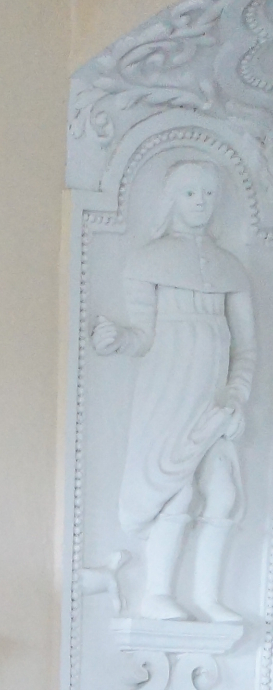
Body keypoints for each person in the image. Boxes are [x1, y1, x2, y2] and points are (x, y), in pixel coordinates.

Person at [93, 158, 256, 622]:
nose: (200, 202)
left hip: (215, 401)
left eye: (208, 193)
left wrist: (236, 396)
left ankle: (209, 598)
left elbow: (245, 348)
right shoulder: (150, 259)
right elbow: (142, 337)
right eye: (189, 193)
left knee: (224, 492)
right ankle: (158, 595)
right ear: (172, 199)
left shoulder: (230, 269)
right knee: (177, 493)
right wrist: (115, 339)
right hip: (168, 393)